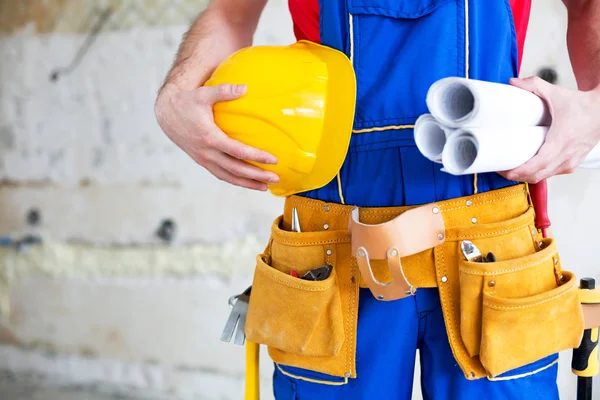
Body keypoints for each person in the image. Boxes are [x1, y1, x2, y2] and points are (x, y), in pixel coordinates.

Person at [154, 1, 600, 399]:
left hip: (491, 259)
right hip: (334, 254)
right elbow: (233, 11)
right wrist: (174, 96)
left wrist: (593, 109)